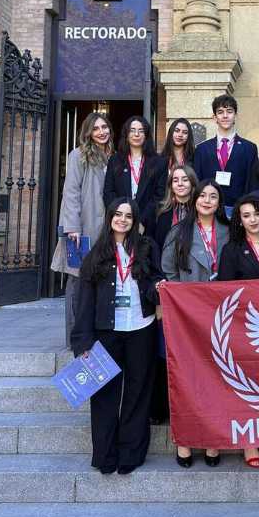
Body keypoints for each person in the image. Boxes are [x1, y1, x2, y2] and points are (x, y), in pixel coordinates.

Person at [71, 199, 163, 475]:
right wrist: (82, 342)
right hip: (105, 332)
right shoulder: (96, 254)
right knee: (104, 396)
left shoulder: (146, 248)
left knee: (137, 393)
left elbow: (154, 282)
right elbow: (83, 302)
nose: (122, 220)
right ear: (110, 217)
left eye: (128, 216)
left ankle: (130, 455)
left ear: (135, 221)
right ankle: (105, 455)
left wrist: (157, 287)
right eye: (118, 215)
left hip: (141, 328)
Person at [161, 179, 230, 467]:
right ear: (195, 200)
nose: (207, 200)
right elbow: (168, 269)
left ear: (219, 202)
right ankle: (186, 442)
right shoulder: (179, 232)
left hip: (219, 317)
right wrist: (183, 299)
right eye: (202, 195)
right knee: (187, 380)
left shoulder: (229, 232)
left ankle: (213, 442)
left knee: (216, 379)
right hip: (188, 318)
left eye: (213, 197)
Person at [217, 196, 259, 469]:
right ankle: (248, 442)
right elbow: (224, 290)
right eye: (246, 215)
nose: (252, 220)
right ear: (239, 220)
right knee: (247, 386)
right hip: (245, 326)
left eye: (256, 214)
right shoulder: (232, 250)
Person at [51, 111, 113, 347]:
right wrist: (72, 227)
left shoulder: (110, 156)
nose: (101, 132)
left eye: (104, 127)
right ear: (88, 132)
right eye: (96, 128)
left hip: (102, 230)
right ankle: (74, 337)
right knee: (77, 282)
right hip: (81, 231)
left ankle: (93, 334)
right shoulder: (78, 155)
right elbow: (71, 192)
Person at [145, 165, 199, 425]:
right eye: (175, 180)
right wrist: (158, 283)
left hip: (193, 289)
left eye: (184, 180)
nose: (179, 184)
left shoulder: (201, 212)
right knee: (162, 351)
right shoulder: (160, 213)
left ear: (192, 183)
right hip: (165, 288)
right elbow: (151, 248)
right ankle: (160, 407)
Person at [192, 94, 258, 216]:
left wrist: (246, 210)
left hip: (238, 210)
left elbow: (251, 183)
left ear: (235, 116)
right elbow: (197, 183)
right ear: (214, 117)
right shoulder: (201, 149)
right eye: (220, 112)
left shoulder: (249, 148)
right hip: (209, 210)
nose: (225, 116)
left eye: (229, 111)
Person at [103, 115, 166, 228]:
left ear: (146, 136)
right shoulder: (115, 161)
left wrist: (141, 221)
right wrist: (120, 216)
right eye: (132, 130)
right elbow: (109, 192)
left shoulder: (159, 162)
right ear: (126, 135)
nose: (136, 134)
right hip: (119, 223)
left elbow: (159, 196)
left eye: (141, 131)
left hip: (147, 225)